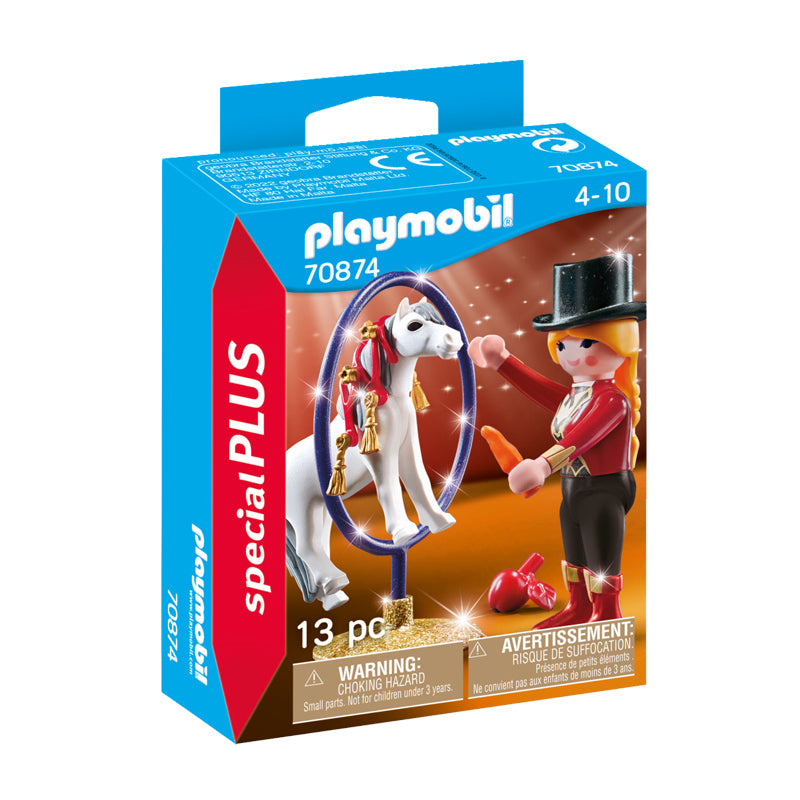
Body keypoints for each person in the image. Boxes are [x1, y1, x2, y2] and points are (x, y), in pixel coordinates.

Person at [469, 254, 645, 628]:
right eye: (563, 346)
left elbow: (583, 437)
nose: (571, 355)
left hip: (604, 488)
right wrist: (502, 362)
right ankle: (578, 607)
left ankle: (607, 614)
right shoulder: (576, 395)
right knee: (575, 550)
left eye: (585, 343)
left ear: (619, 343)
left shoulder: (613, 401)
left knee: (601, 557)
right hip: (574, 488)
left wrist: (542, 464)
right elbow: (541, 389)